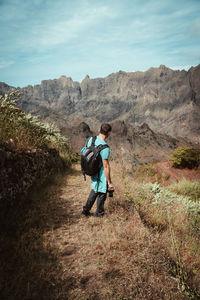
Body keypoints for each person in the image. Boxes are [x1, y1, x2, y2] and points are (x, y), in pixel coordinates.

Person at [82, 123, 114, 217]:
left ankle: (86, 210)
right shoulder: (105, 147)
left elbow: (85, 151)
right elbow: (105, 166)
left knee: (95, 189)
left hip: (91, 170)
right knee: (102, 192)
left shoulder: (91, 139)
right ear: (109, 133)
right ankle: (99, 213)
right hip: (100, 173)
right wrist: (109, 182)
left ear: (100, 130)